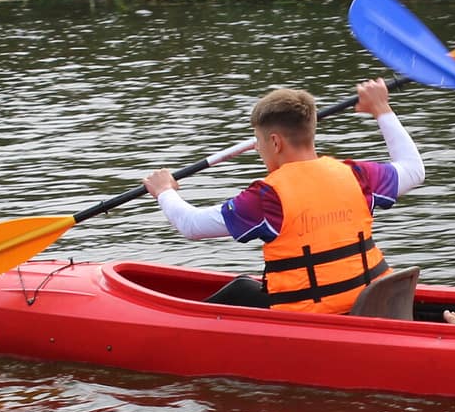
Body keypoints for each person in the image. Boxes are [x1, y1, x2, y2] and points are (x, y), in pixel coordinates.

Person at [142, 79, 425, 314]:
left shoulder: (268, 197)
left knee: (234, 298)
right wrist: (381, 109)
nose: (258, 150)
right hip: (373, 304)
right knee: (243, 287)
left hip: (315, 319)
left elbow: (191, 226)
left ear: (275, 141)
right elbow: (414, 170)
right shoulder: (358, 175)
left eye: (260, 142)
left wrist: (164, 191)